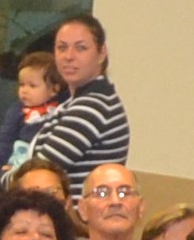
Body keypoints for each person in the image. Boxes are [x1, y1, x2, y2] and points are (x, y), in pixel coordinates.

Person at [13, 14, 128, 174]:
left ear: (101, 54)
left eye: (81, 48)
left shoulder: (91, 107)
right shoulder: (77, 101)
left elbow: (38, 175)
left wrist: (3, 177)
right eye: (62, 48)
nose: (69, 56)